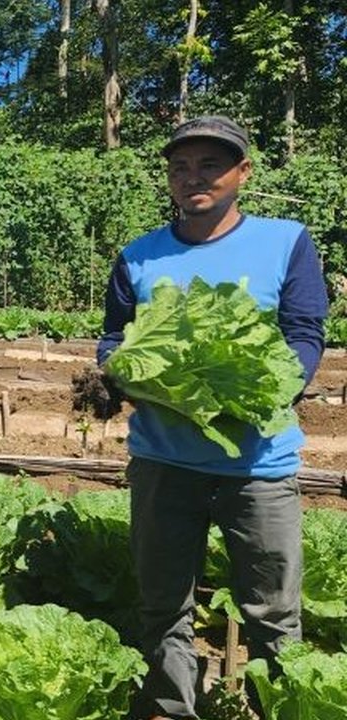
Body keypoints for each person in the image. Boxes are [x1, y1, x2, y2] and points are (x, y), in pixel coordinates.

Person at [97, 115, 328, 719]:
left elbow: (304, 334)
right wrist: (134, 376)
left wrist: (263, 393)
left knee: (273, 609)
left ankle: (282, 707)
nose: (193, 178)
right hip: (162, 461)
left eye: (210, 165)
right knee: (163, 605)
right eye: (180, 167)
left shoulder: (285, 240)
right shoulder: (139, 256)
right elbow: (112, 340)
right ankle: (174, 708)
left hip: (259, 464)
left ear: (242, 173)